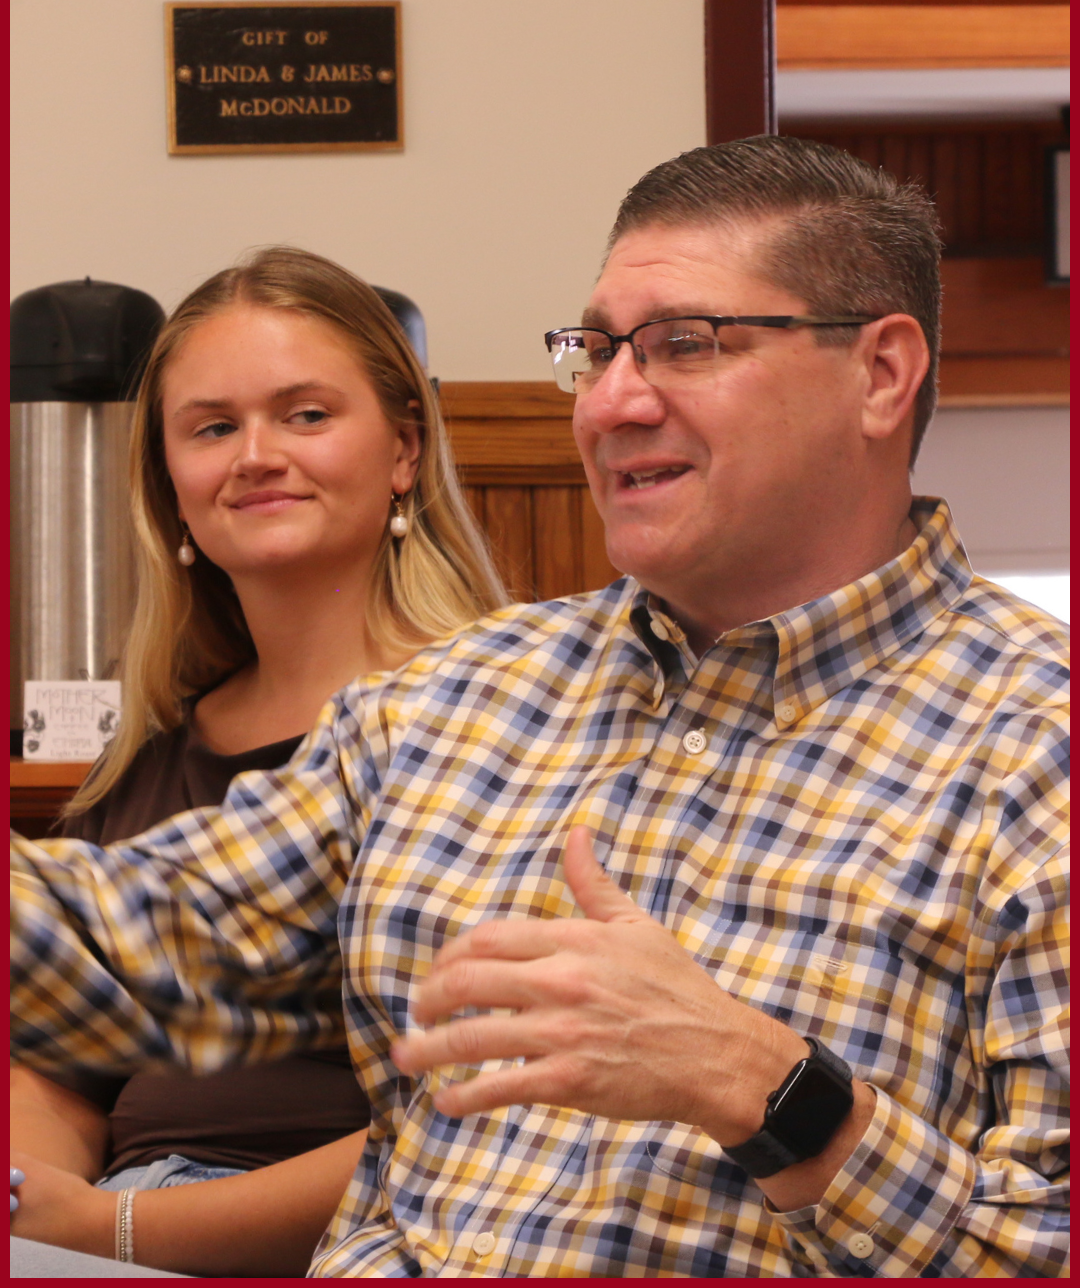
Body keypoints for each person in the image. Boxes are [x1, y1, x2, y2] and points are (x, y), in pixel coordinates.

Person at [12, 137, 1068, 1277]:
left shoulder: (1036, 751)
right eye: (597, 351)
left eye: (681, 345)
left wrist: (762, 1084)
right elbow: (144, 939)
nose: (611, 402)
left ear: (879, 372)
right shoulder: (447, 705)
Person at [10, 244, 506, 1275]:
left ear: (405, 452)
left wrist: (118, 1231)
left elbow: (488, 1117)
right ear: (173, 486)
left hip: (363, 1247)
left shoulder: (502, 724)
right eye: (213, 427)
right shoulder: (151, 761)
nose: (256, 455)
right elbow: (58, 1064)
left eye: (306, 415)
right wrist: (35, 1203)